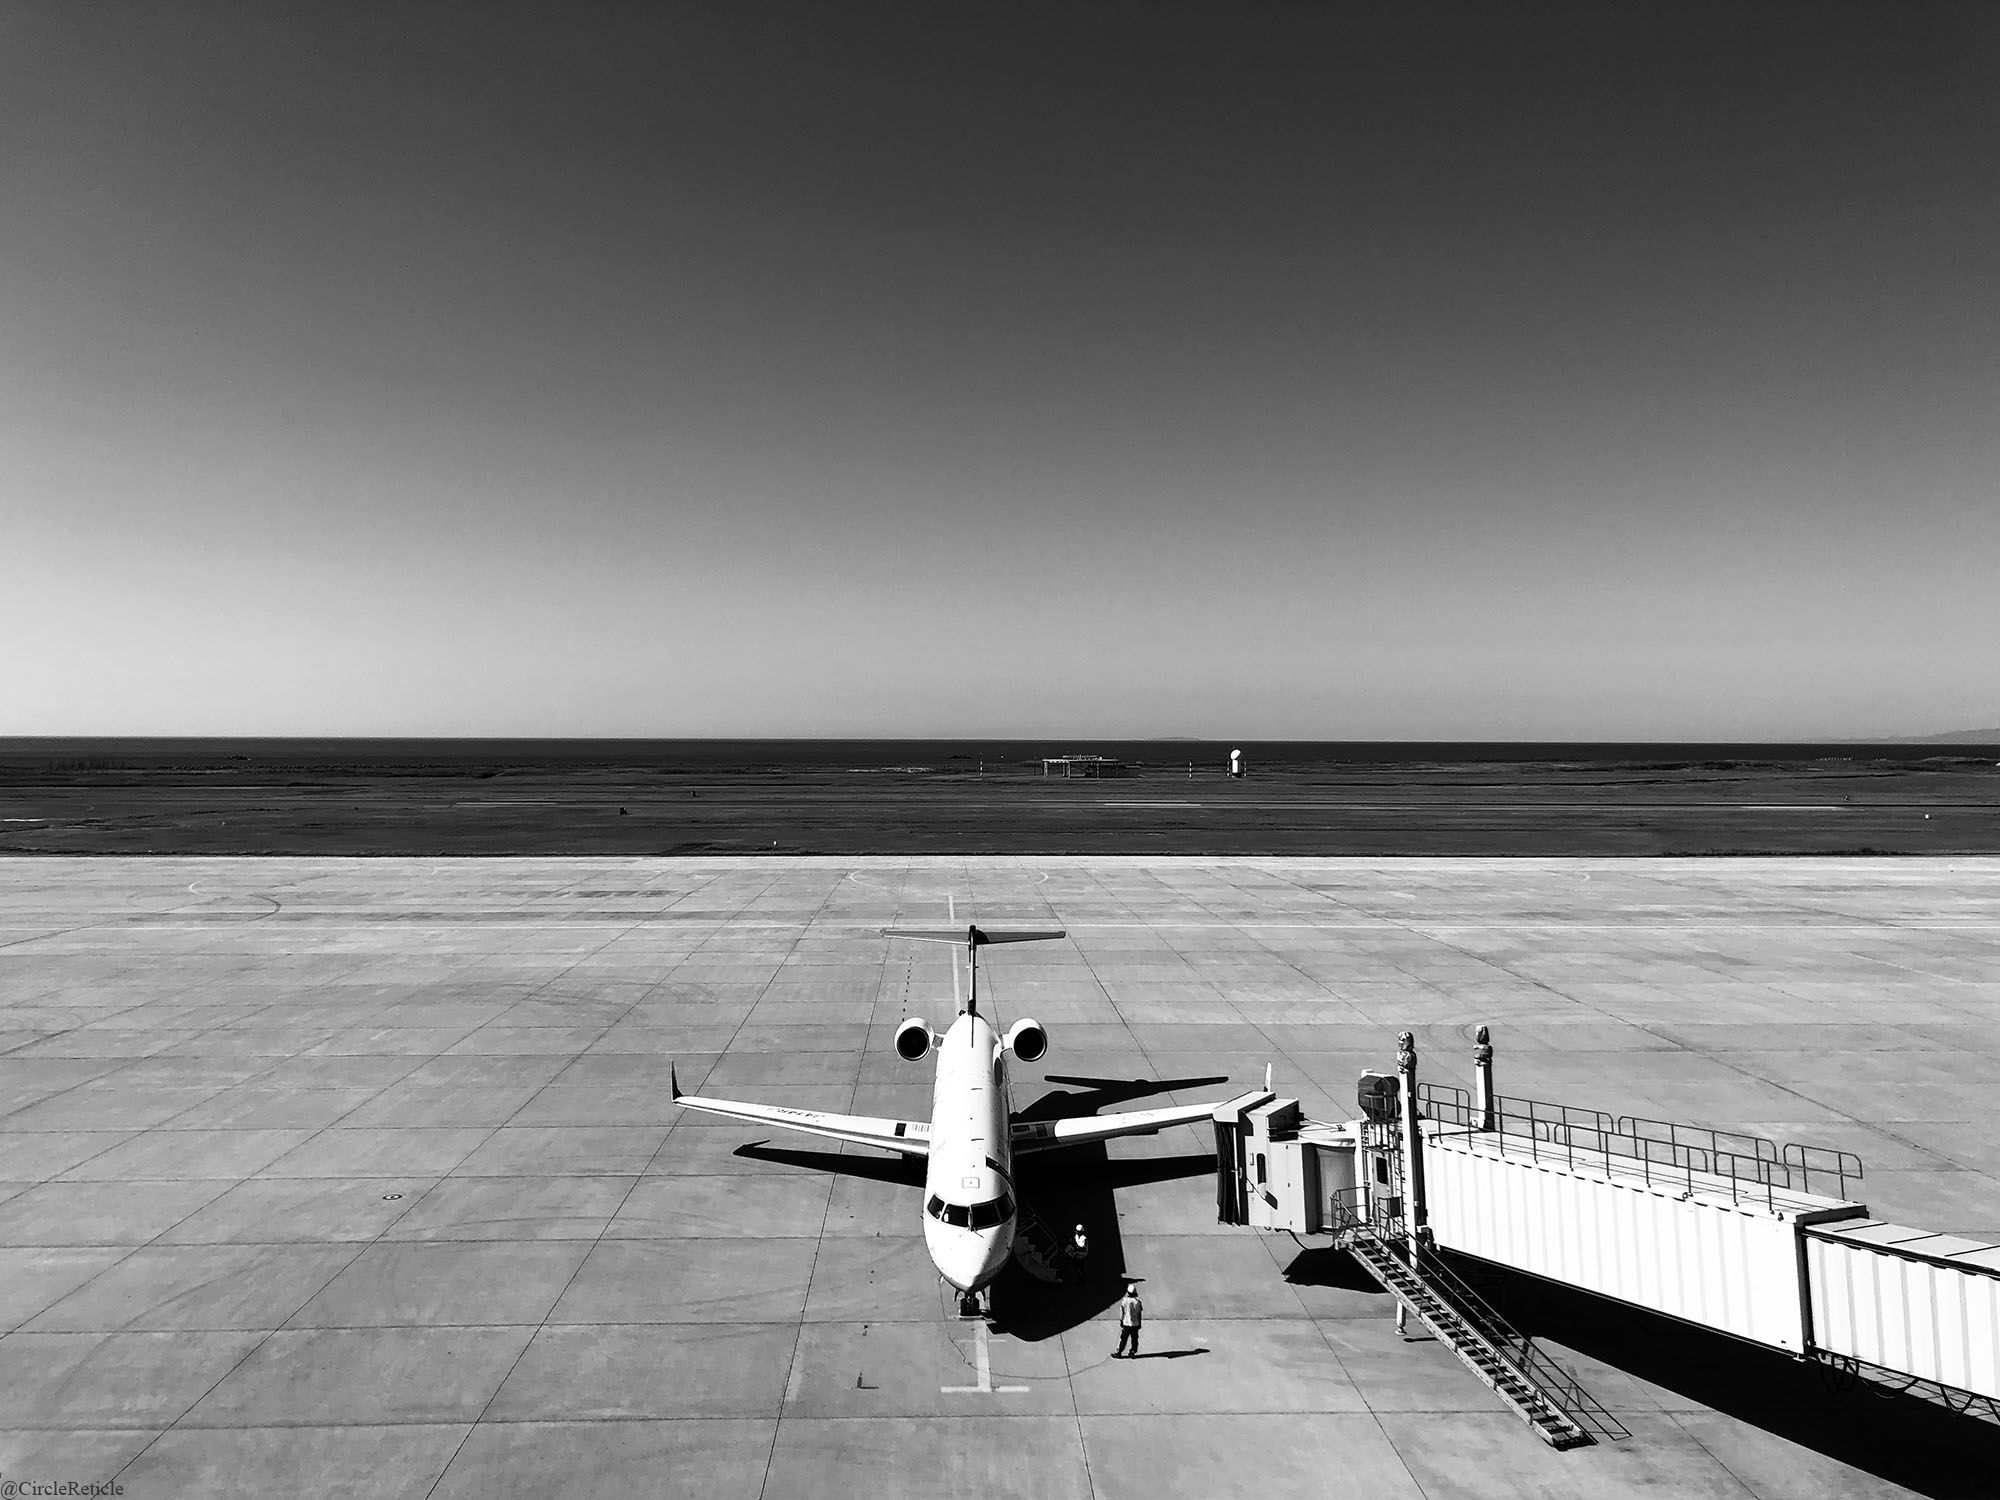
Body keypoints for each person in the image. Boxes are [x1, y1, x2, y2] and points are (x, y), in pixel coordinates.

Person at [1114, 1282, 1143, 1358]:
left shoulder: (1124, 1301)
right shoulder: (1138, 1302)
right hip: (1135, 1324)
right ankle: (1132, 1352)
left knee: (1123, 1339)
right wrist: (1139, 1323)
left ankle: (1119, 1352)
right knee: (1134, 1339)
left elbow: (1122, 1312)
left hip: (1126, 1323)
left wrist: (1121, 1321)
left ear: (1128, 1292)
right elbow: (1139, 1314)